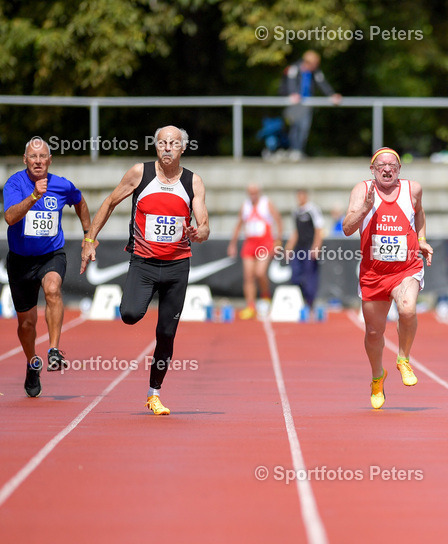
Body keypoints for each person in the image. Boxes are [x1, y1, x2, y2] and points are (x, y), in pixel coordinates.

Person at [80, 125, 210, 415]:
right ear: (155, 146)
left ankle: (154, 393)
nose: (167, 148)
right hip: (144, 262)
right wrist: (90, 239)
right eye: (162, 143)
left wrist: (196, 232)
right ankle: (136, 307)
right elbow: (110, 202)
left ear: (182, 148)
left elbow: (204, 226)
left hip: (178, 265)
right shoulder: (140, 174)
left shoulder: (193, 182)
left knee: (166, 333)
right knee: (129, 314)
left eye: (173, 143)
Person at [343, 148, 432, 410]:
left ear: (399, 169)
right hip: (373, 273)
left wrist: (423, 240)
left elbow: (419, 214)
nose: (387, 169)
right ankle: (377, 377)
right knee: (373, 332)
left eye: (392, 165)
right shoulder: (362, 191)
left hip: (406, 268)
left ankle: (403, 358)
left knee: (407, 308)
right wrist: (365, 209)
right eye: (381, 165)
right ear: (373, 169)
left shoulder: (412, 189)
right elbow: (348, 228)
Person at [3, 137, 90, 397]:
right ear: (25, 159)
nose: (38, 161)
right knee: (27, 324)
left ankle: (53, 350)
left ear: (50, 160)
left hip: (51, 255)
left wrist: (88, 237)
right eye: (33, 157)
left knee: (53, 289)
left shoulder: (62, 185)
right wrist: (33, 197)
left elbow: (80, 203)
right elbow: (10, 217)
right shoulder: (15, 183)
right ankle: (32, 362)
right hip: (20, 260)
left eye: (43, 157)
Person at [228, 184, 283, 320]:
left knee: (259, 273)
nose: (252, 195)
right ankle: (250, 306)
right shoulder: (245, 206)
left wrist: (278, 241)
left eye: (255, 192)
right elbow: (239, 225)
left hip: (264, 243)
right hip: (250, 244)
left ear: (259, 192)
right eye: (250, 193)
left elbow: (278, 221)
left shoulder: (266, 203)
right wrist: (233, 244)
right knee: (248, 276)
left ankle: (265, 296)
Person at [279, 50, 342, 158]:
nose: (316, 66)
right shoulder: (294, 68)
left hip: (307, 104)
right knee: (294, 127)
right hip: (294, 104)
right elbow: (289, 83)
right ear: (307, 62)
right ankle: (293, 150)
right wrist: (292, 94)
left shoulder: (315, 72)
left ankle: (298, 150)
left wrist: (332, 94)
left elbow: (323, 84)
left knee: (304, 127)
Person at [283, 189, 325, 309]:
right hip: (299, 248)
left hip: (309, 247)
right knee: (295, 274)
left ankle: (310, 302)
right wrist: (289, 247)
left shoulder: (313, 210)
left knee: (309, 275)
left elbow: (319, 229)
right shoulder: (296, 212)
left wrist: (316, 246)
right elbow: (296, 231)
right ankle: (299, 299)